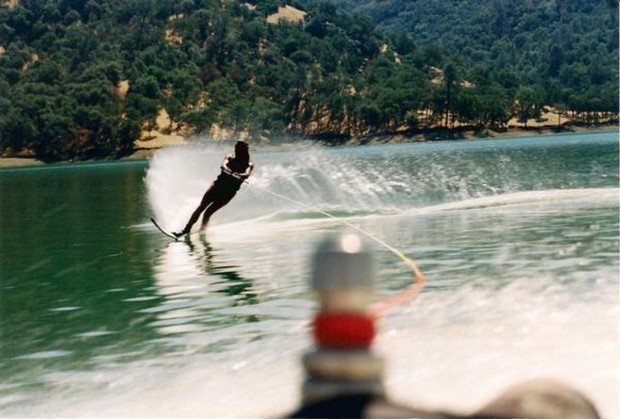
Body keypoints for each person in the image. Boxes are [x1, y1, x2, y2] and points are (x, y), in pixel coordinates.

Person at [173, 141, 254, 238]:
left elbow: (247, 174)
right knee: (201, 207)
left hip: (228, 193)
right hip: (216, 187)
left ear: (244, 151)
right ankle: (186, 230)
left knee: (208, 212)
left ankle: (202, 231)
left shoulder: (249, 164)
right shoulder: (229, 157)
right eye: (235, 148)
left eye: (238, 149)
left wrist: (238, 174)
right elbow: (223, 165)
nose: (236, 150)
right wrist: (227, 169)